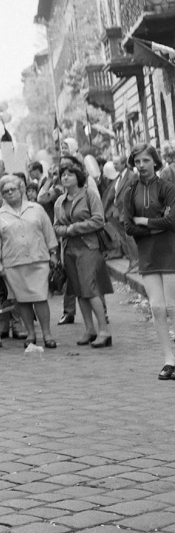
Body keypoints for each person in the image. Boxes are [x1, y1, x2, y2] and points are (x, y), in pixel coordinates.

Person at [122, 143, 175, 379]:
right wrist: (154, 224)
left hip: (170, 251)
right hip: (147, 254)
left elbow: (172, 221)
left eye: (145, 160)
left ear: (154, 161)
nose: (141, 165)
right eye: (137, 161)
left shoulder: (167, 187)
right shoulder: (130, 191)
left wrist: (144, 222)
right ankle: (168, 359)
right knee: (156, 307)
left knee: (173, 306)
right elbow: (128, 227)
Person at [0, 175, 59, 349]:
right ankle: (30, 333)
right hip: (13, 263)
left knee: (40, 298)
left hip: (38, 260)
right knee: (22, 300)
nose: (10, 193)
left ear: (22, 190)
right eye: (6, 191)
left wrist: (54, 253)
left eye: (13, 189)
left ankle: (47, 334)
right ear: (1, 194)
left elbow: (48, 231)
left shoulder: (36, 209)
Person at [53, 162, 112, 348]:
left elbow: (98, 219)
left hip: (89, 247)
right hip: (69, 249)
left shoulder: (89, 194)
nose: (65, 177)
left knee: (91, 288)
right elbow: (56, 226)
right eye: (63, 175)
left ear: (78, 177)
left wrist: (72, 228)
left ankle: (104, 331)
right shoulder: (59, 201)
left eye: (69, 174)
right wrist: (65, 231)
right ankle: (89, 329)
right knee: (78, 290)